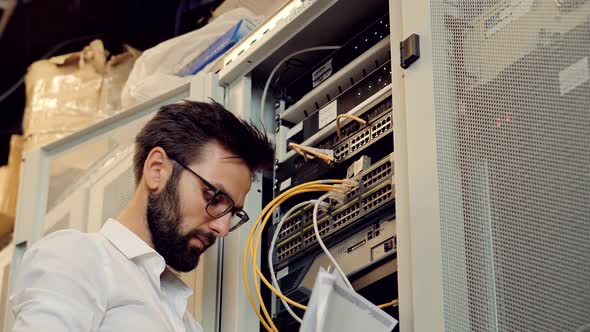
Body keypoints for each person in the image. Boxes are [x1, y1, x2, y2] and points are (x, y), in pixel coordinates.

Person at [9, 100, 275, 331]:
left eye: (233, 213)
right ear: (157, 169)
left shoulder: (185, 321)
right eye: (214, 198)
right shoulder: (78, 257)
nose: (223, 228)